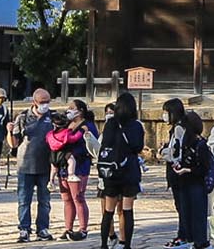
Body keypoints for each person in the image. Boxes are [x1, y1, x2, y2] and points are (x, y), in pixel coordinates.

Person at [96, 92, 144, 249]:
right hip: (129, 169)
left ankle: (104, 244)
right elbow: (138, 147)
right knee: (127, 209)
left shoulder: (110, 124)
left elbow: (105, 143)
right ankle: (127, 245)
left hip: (111, 170)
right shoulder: (136, 125)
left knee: (108, 210)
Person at [47, 105, 96, 241]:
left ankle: (83, 229)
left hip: (79, 166)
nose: (69, 111)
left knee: (78, 198)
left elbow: (92, 146)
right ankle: (68, 228)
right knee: (66, 199)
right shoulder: (66, 124)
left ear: (80, 110)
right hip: (62, 164)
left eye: (72, 108)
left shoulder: (88, 126)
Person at [15, 89, 56, 243]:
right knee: (24, 200)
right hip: (25, 165)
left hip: (46, 165)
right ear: (34, 102)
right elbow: (14, 143)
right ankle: (24, 229)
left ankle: (43, 228)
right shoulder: (23, 117)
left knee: (44, 200)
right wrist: (9, 131)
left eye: (48, 101)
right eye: (42, 102)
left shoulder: (53, 117)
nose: (45, 105)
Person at [171, 112, 212, 249]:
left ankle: (201, 242)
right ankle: (189, 238)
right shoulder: (185, 142)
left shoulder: (201, 145)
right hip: (184, 183)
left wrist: (187, 170)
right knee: (186, 213)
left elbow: (203, 169)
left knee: (198, 215)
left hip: (196, 185)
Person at [161, 99, 192, 249]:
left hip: (178, 171)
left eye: (166, 112)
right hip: (178, 172)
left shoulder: (179, 128)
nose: (164, 115)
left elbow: (175, 152)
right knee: (181, 205)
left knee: (182, 205)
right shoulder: (178, 127)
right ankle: (183, 234)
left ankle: (184, 235)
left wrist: (163, 152)